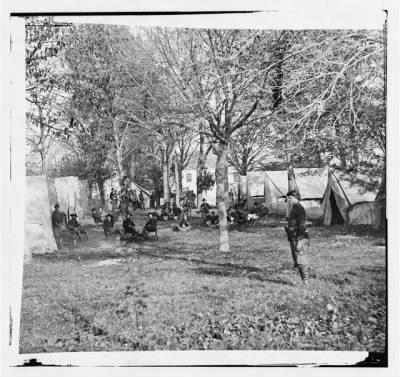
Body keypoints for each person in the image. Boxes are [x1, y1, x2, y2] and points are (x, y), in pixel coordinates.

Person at [285, 189, 310, 285]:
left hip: (299, 236)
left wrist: (300, 241)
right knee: (296, 259)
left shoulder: (299, 208)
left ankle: (305, 281)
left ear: (296, 198)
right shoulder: (294, 208)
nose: (289, 200)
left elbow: (302, 225)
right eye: (288, 198)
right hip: (293, 236)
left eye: (290, 198)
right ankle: (304, 280)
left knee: (301, 258)